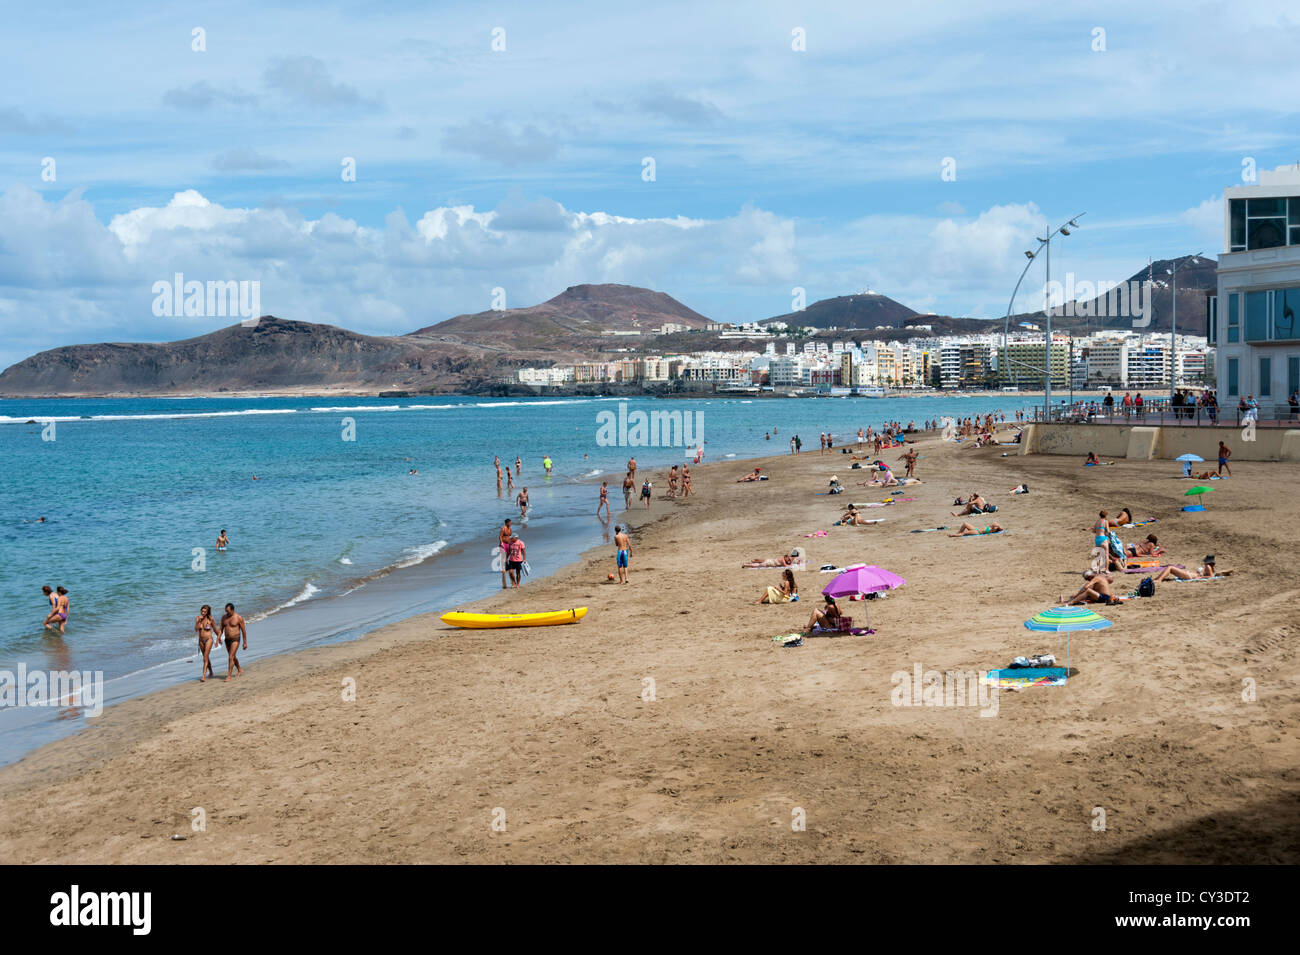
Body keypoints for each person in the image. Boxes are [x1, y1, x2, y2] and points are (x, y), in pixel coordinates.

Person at [218, 603, 246, 681]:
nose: (227, 613)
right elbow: (221, 629)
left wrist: (244, 642)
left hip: (235, 639)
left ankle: (229, 676)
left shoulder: (238, 618)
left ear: (232, 610)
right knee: (233, 657)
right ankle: (239, 669)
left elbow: (243, 631)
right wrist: (218, 638)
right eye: (226, 611)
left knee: (230, 657)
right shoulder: (224, 617)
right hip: (227, 640)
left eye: (228, 611)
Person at [195, 605, 218, 682]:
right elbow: (196, 629)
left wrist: (219, 639)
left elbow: (215, 629)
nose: (203, 613)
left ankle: (203, 676)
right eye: (202, 611)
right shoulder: (198, 618)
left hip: (209, 639)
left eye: (205, 611)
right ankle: (211, 671)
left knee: (205, 658)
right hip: (201, 641)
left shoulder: (210, 619)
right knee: (206, 657)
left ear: (207, 612)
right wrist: (198, 622)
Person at [499, 518, 513, 589]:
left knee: (508, 554)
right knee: (503, 556)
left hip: (508, 543)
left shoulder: (510, 528)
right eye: (509, 523)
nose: (510, 523)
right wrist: (501, 543)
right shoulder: (503, 529)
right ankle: (503, 568)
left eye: (510, 522)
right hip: (503, 544)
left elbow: (510, 536)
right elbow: (500, 536)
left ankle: (506, 564)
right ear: (506, 523)